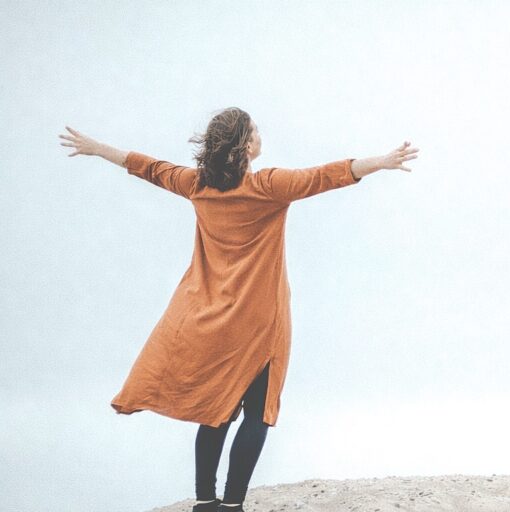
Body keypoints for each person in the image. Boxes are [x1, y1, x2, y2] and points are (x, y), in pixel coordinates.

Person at [59, 107, 418, 512]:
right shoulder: (269, 186)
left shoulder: (196, 185)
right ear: (245, 145)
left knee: (216, 411)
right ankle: (232, 505)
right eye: (255, 131)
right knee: (257, 416)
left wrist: (96, 148)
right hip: (260, 324)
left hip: (213, 321)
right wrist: (381, 162)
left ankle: (204, 501)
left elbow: (148, 167)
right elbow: (327, 175)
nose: (261, 135)